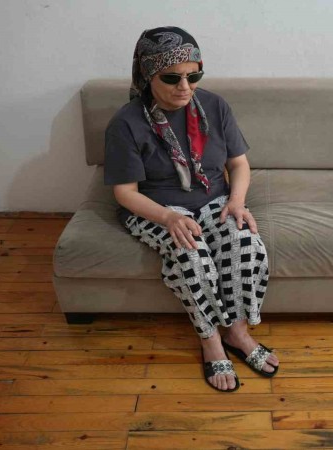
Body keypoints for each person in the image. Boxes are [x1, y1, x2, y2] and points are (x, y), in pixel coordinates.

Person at [104, 26, 279, 392]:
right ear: (148, 75)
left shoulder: (215, 106)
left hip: (215, 199)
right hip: (157, 207)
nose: (185, 87)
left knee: (246, 245)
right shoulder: (125, 123)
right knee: (191, 256)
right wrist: (168, 217)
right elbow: (125, 192)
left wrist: (236, 202)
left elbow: (239, 164)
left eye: (193, 76)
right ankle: (210, 340)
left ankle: (237, 332)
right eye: (172, 78)